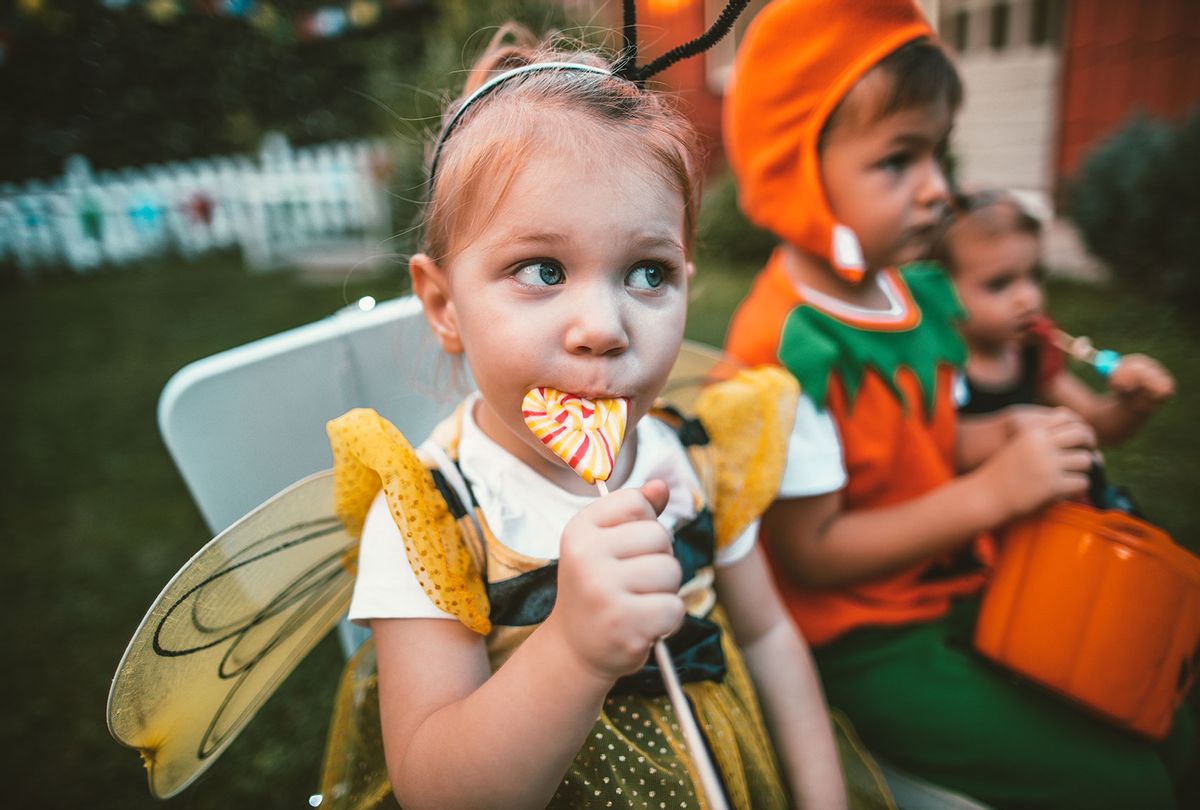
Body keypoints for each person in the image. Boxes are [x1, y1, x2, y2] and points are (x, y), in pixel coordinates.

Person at [318, 24, 888, 810]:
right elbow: (435, 789)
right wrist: (576, 650)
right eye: (543, 270)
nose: (605, 326)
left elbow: (766, 637)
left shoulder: (694, 462)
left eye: (648, 273)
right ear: (444, 304)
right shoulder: (435, 520)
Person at [720, 0, 1194, 807]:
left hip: (958, 588)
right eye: (898, 161)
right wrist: (993, 493)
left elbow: (914, 443)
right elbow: (815, 550)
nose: (939, 190)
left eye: (937, 154)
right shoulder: (792, 348)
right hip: (868, 648)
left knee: (1165, 704)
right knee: (1125, 783)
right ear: (799, 165)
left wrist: (1000, 432)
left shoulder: (910, 296)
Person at [935, 188, 1175, 443]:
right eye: (999, 284)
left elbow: (1094, 423)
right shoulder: (936, 365)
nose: (1028, 298)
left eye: (1034, 276)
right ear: (936, 289)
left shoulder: (1030, 350)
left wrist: (1132, 407)